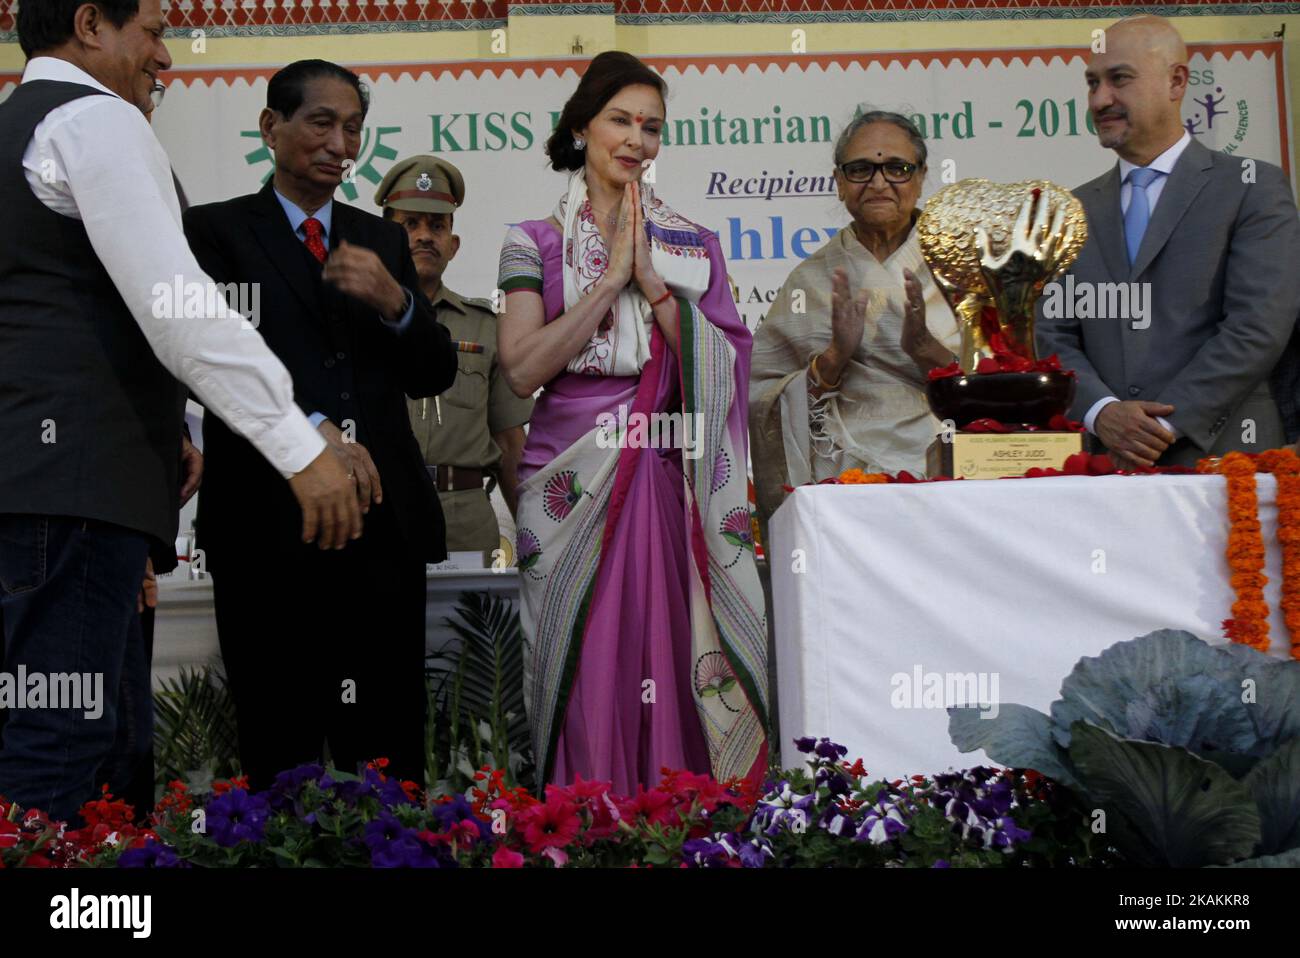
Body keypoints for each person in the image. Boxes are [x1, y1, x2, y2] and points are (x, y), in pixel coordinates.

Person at [0, 0, 355, 823]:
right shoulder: (96, 120)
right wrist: (298, 445)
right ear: (91, 23)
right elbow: (176, 306)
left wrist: (158, 428)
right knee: (66, 743)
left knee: (65, 736)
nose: (166, 57)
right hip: (72, 494)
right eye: (154, 31)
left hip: (40, 486)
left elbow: (57, 314)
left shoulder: (16, 128)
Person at [497, 51, 769, 793]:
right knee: (585, 663)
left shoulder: (692, 246)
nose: (636, 139)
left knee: (664, 646)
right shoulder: (534, 241)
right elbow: (522, 369)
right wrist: (609, 282)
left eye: (651, 126)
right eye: (620, 119)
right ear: (582, 125)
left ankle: (671, 817)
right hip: (565, 476)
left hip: (656, 467)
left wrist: (655, 288)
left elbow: (729, 368)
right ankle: (587, 820)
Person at [183, 60, 458, 787]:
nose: (342, 143)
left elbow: (434, 373)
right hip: (266, 528)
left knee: (388, 749)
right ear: (271, 128)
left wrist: (397, 300)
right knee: (280, 746)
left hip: (380, 531)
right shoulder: (213, 234)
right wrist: (310, 429)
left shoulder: (383, 242)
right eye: (322, 123)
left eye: (355, 129)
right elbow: (211, 360)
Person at [1037, 15, 1300, 468]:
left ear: (1177, 81)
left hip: (1228, 463)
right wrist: (1103, 413)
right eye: (1092, 83)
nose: (1101, 99)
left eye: (1119, 79)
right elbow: (1051, 333)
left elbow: (1259, 325)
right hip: (1104, 466)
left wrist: (1164, 424)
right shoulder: (1068, 210)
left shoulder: (1251, 187)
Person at [750, 110, 959, 523]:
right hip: (843, 482)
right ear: (840, 182)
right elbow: (760, 400)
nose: (879, 183)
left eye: (897, 168)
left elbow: (999, 389)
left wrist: (928, 353)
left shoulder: (962, 271)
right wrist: (831, 361)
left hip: (949, 472)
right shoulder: (810, 280)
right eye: (861, 169)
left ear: (920, 178)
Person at [375, 156, 532, 564]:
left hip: (466, 523)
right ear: (383, 236)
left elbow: (510, 446)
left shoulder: (487, 327)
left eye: (437, 226)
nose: (424, 236)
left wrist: (535, 546)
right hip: (379, 514)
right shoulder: (359, 321)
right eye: (410, 224)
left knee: (475, 628)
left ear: (453, 245)